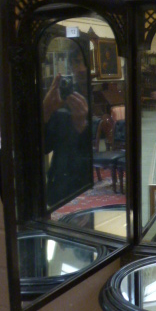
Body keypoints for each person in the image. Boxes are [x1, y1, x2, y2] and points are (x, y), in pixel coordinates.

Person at [43, 44, 91, 207]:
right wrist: (45, 112)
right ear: (71, 66)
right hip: (59, 187)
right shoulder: (61, 98)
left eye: (85, 63)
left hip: (88, 185)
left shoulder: (99, 98)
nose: (82, 68)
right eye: (77, 62)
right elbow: (44, 147)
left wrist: (82, 127)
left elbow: (107, 150)